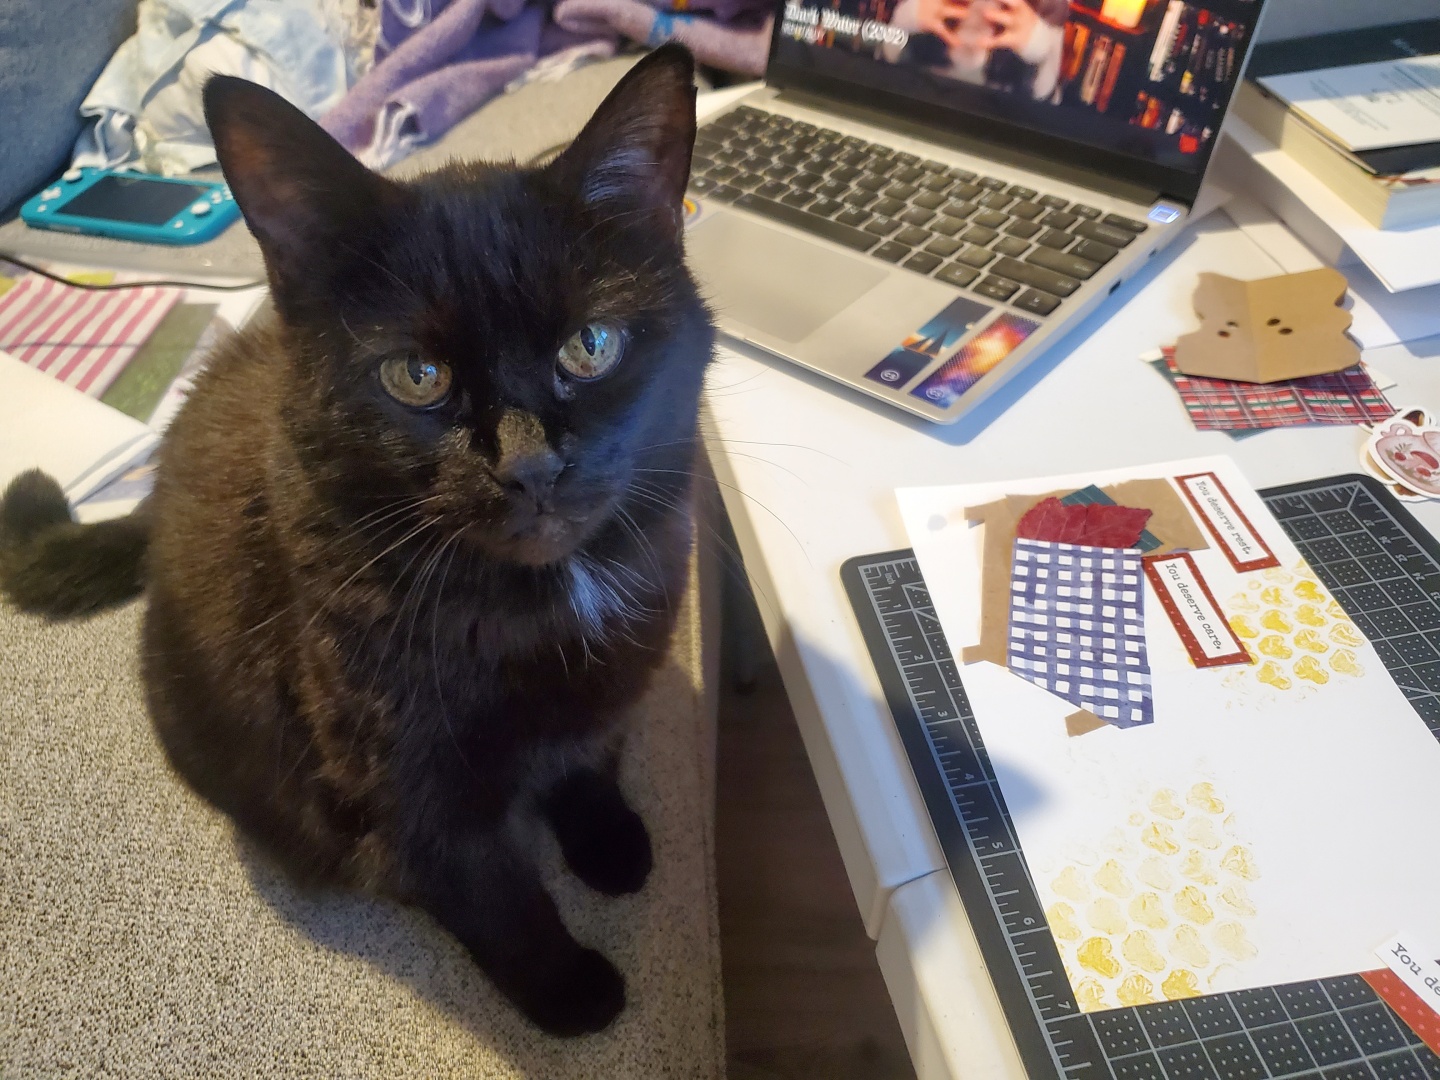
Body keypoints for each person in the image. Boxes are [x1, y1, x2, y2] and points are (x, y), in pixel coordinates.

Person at [883, 0, 1067, 101]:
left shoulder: (1049, 10)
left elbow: (1049, 109)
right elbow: (878, 73)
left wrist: (1040, 51)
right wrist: (904, 21)